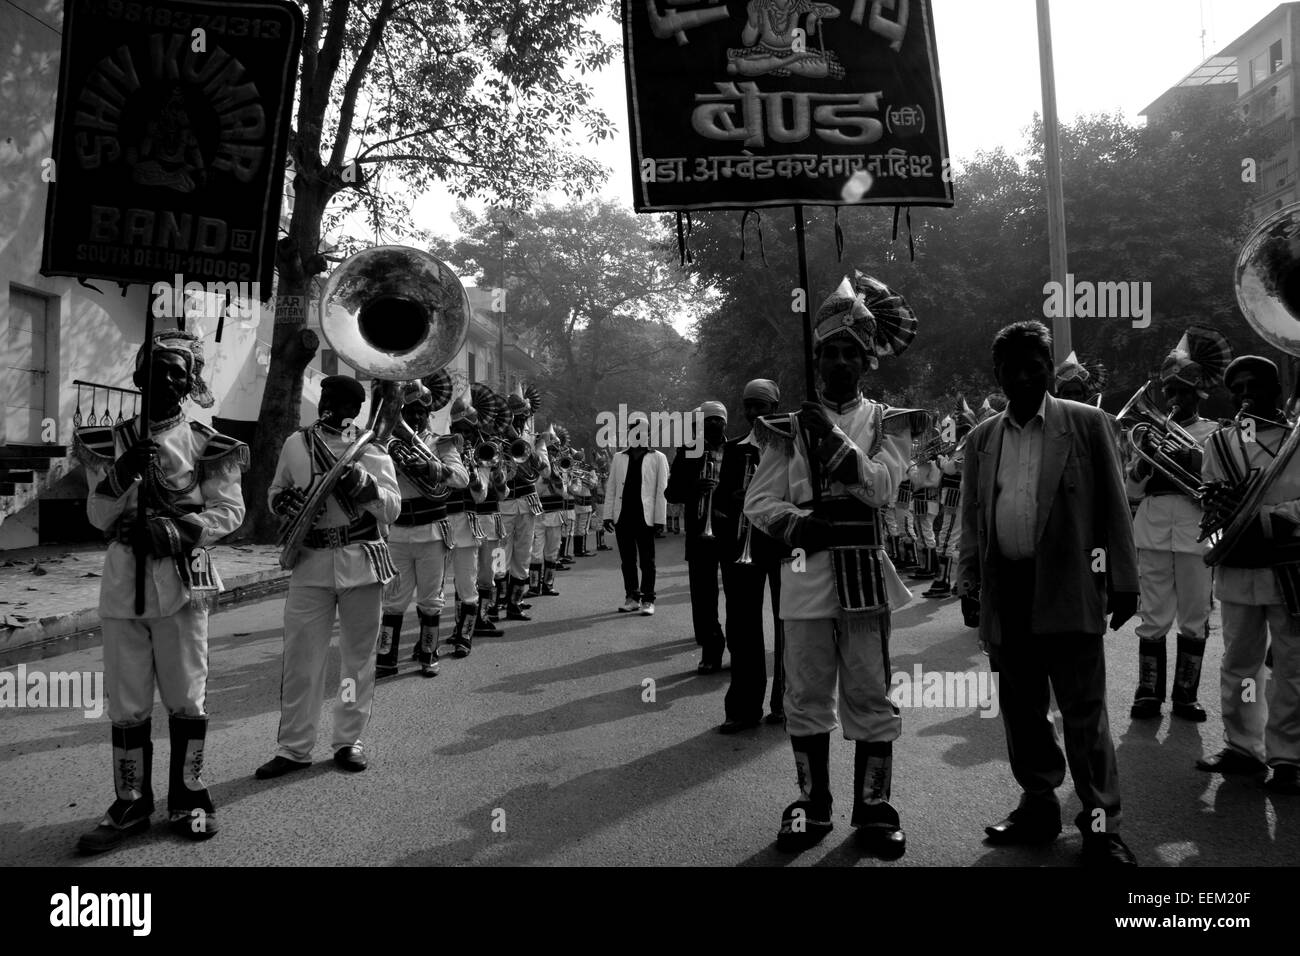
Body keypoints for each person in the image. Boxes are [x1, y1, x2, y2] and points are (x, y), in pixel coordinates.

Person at [745, 272, 920, 858]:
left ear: (866, 361)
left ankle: (874, 808)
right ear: (817, 359)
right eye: (830, 352)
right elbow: (758, 504)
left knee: (871, 691)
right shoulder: (786, 428)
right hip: (803, 573)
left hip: (866, 573)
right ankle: (811, 803)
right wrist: (798, 524)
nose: (840, 361)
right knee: (805, 690)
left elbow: (881, 489)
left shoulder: (891, 422)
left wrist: (834, 444)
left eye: (850, 352)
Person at [955, 321, 1139, 867]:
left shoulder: (1086, 424)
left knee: (1085, 713)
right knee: (1022, 711)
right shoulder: (982, 437)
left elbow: (1113, 505)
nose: (1024, 375)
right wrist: (970, 581)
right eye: (1011, 368)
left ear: (1048, 366)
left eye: (1035, 364)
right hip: (1006, 589)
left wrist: (1124, 582)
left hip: (1070, 585)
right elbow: (972, 517)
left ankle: (1101, 825)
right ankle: (1038, 807)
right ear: (999, 375)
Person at [73, 331, 247, 853]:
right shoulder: (106, 443)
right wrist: (120, 476)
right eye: (156, 368)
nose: (166, 379)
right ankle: (130, 802)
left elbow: (230, 511)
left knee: (186, 694)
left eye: (178, 372)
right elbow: (98, 517)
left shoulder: (206, 443)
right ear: (137, 374)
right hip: (124, 577)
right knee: (127, 700)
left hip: (182, 579)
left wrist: (177, 529)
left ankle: (190, 795)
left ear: (190, 382)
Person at [257, 375, 401, 779]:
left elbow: (392, 510)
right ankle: (294, 747)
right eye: (328, 397)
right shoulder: (295, 444)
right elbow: (276, 489)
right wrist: (279, 502)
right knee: (301, 659)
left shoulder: (371, 449)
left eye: (343, 401)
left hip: (361, 559)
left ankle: (347, 740)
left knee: (357, 659)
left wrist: (365, 487)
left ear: (356, 409)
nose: (332, 405)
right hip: (310, 560)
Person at [1196, 356, 1300, 794]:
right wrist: (1218, 518)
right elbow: (1210, 511)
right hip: (1239, 567)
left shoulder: (1298, 440)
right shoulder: (1219, 444)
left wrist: (1272, 519)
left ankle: (1289, 756)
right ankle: (1244, 746)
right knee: (1240, 664)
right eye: (1236, 389)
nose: (1244, 396)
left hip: (1289, 567)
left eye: (1253, 387)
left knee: (1293, 667)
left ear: (1276, 391)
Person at [1126, 327, 1230, 721]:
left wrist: (1189, 460)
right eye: (1169, 392)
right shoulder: (1147, 433)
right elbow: (1131, 490)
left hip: (1195, 535)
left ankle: (1185, 696)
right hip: (1153, 532)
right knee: (1152, 614)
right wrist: (1142, 462)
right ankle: (1147, 692)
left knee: (1194, 615)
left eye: (1182, 392)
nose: (1173, 400)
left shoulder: (1216, 434)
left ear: (1197, 395)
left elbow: (1222, 483)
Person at [376, 383, 470, 674]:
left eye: (421, 412)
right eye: (409, 412)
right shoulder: (387, 443)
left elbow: (462, 479)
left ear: (429, 414)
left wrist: (433, 469)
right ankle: (386, 657)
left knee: (430, 597)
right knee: (394, 599)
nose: (415, 418)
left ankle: (429, 652)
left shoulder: (442, 443)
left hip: (432, 530)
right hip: (399, 531)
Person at [715, 379, 786, 731]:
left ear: (775, 408)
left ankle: (785, 703)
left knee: (789, 625)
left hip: (783, 544)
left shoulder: (792, 448)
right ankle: (743, 707)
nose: (755, 413)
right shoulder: (733, 450)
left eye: (762, 406)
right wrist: (732, 498)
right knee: (742, 628)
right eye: (749, 406)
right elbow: (721, 500)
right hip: (743, 545)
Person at [666, 402, 730, 671]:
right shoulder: (687, 452)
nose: (713, 424)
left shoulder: (738, 451)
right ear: (701, 424)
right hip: (699, 532)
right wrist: (694, 488)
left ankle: (738, 648)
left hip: (730, 533)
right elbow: (672, 493)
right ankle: (711, 650)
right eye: (709, 420)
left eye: (718, 420)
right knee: (703, 594)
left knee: (737, 597)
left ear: (725, 423)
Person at [602, 412, 668, 615]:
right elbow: (611, 487)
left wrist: (660, 519)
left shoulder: (658, 457)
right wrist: (607, 515)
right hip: (623, 516)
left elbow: (661, 491)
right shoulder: (619, 457)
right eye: (633, 431)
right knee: (627, 560)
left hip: (645, 517)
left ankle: (648, 599)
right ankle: (632, 596)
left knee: (647, 561)